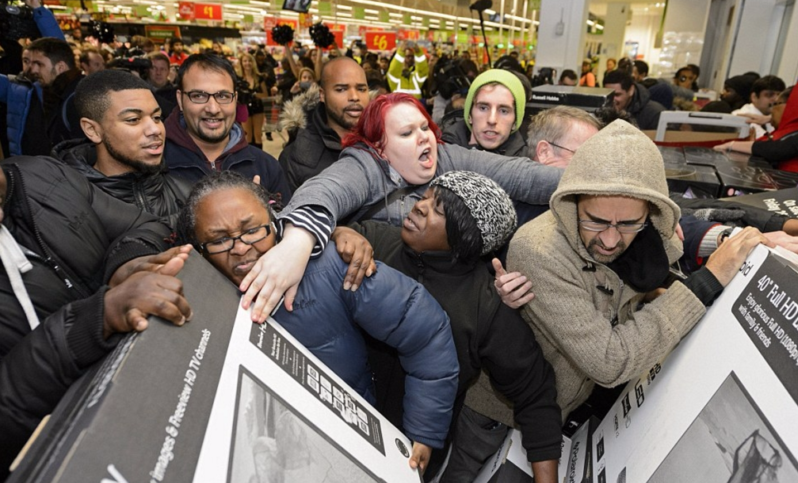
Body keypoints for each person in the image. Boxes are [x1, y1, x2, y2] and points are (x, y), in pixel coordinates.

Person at [177, 171, 459, 474]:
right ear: (198, 249)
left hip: (352, 448)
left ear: (274, 221)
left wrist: (423, 433)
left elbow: (426, 333)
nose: (241, 247)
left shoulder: (334, 269)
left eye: (252, 230)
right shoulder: (189, 298)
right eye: (219, 239)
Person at [506, 119, 771, 418]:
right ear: (574, 201)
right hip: (507, 421)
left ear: (650, 212)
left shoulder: (647, 235)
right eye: (595, 220)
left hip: (571, 406)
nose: (609, 239)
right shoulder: (538, 251)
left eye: (629, 224)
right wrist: (706, 282)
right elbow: (610, 362)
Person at [237, 92, 562, 323]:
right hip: (382, 313)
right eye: (407, 133)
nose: (424, 138)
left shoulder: (447, 156)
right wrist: (297, 243)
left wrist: (588, 182)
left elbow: (521, 176)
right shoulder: (365, 164)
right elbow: (323, 191)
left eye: (425, 128)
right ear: (380, 146)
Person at [333, 172, 561, 482]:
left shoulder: (485, 305)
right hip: (334, 422)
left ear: (464, 238)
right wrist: (338, 233)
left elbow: (535, 394)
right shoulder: (373, 242)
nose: (419, 208)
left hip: (409, 459)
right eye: (425, 198)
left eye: (439, 210)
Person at [0, 156, 192, 478]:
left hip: (139, 393)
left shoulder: (45, 175)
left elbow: (145, 225)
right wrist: (95, 319)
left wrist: (126, 264)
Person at [53, 70, 191, 226]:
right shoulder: (65, 207)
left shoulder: (187, 194)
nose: (155, 129)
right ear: (92, 130)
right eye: (133, 119)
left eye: (157, 117)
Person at [163, 53, 292, 204]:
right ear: (180, 99)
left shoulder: (266, 167)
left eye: (223, 96)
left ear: (235, 100)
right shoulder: (157, 165)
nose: (213, 108)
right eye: (198, 96)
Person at [278, 57, 369, 191]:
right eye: (341, 89)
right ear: (322, 95)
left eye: (361, 89)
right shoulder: (296, 157)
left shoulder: (386, 143)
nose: (354, 97)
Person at [441, 69, 528, 156]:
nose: (492, 120)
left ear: (515, 122)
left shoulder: (527, 164)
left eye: (503, 111)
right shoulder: (442, 153)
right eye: (483, 108)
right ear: (469, 115)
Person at [714, 86, 798, 171]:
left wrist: (732, 145)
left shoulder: (788, 136)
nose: (772, 110)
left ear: (792, 106)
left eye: (775, 104)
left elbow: (777, 149)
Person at [234, 52, 269, 150]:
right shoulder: (239, 79)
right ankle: (248, 157)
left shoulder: (259, 77)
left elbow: (265, 95)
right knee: (247, 135)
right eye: (245, 61)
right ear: (241, 63)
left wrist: (253, 94)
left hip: (258, 107)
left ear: (253, 63)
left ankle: (259, 157)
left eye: (249, 61)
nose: (247, 63)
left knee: (258, 134)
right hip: (244, 108)